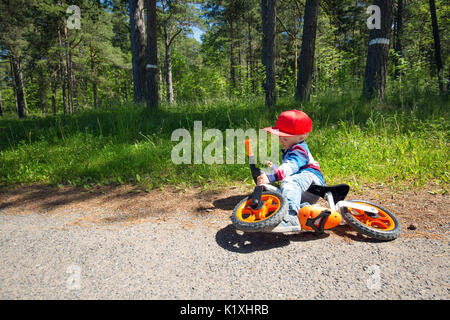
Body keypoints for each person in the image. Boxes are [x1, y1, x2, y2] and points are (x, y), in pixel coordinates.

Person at [257, 110, 325, 232]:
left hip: (312, 180)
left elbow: (292, 167)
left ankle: (290, 219)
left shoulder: (299, 149)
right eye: (279, 137)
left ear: (302, 137)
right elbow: (290, 168)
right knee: (280, 190)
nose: (281, 141)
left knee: (288, 182)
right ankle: (303, 211)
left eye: (285, 139)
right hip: (302, 190)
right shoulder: (290, 148)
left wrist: (273, 176)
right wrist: (274, 168)